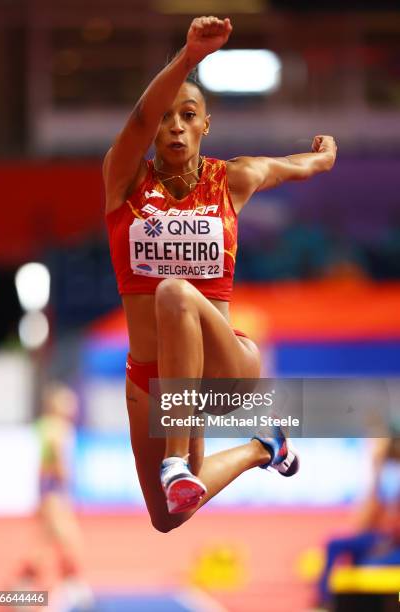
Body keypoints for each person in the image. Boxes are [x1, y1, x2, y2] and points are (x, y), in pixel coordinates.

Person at [103, 16, 336, 531]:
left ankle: (175, 461)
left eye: (188, 115)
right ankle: (263, 448)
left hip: (223, 370)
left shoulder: (230, 180)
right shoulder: (124, 178)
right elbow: (139, 116)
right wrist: (187, 57)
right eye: (165, 118)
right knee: (167, 518)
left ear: (206, 124)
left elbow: (293, 166)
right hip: (154, 379)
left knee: (174, 293)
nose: (175, 126)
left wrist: (323, 159)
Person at [14, 383, 92, 609]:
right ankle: (74, 584)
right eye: (68, 401)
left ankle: (25, 583)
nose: (73, 405)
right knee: (70, 538)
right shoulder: (58, 427)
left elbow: (41, 463)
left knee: (44, 541)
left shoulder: (44, 426)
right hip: (55, 493)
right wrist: (65, 484)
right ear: (58, 405)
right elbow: (55, 459)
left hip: (48, 492)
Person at [316, 437, 400, 607]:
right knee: (336, 544)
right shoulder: (383, 476)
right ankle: (324, 600)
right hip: (380, 536)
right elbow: (366, 519)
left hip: (393, 542)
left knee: (368, 563)